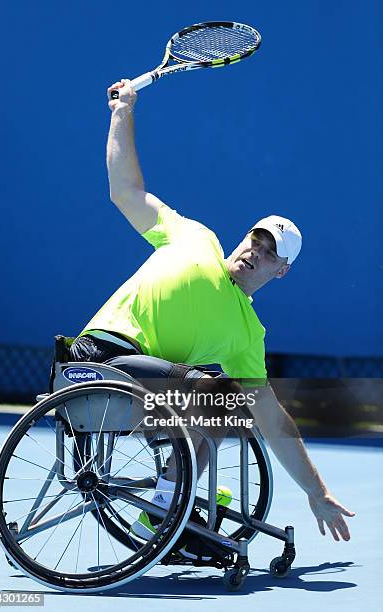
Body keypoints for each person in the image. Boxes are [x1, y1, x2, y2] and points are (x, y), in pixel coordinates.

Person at [70, 78, 355, 544]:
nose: (253, 252)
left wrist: (316, 491)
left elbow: (273, 418)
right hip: (99, 362)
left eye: (268, 253)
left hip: (145, 389)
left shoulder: (247, 332)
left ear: (281, 271)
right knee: (217, 397)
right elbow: (126, 191)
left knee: (228, 405)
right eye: (254, 240)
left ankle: (165, 504)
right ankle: (166, 507)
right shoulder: (193, 237)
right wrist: (123, 111)